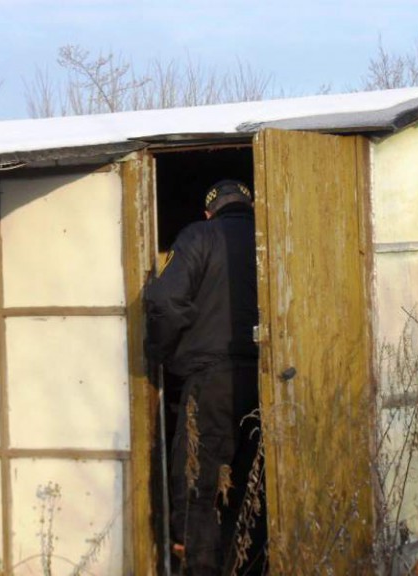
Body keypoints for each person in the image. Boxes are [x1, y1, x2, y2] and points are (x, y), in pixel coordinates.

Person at [145, 179, 266, 575]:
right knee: (255, 483)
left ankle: (200, 568)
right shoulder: (271, 238)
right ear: (248, 206)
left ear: (209, 212)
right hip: (267, 379)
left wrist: (160, 355)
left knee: (198, 482)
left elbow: (165, 300)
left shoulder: (198, 236)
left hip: (211, 381)